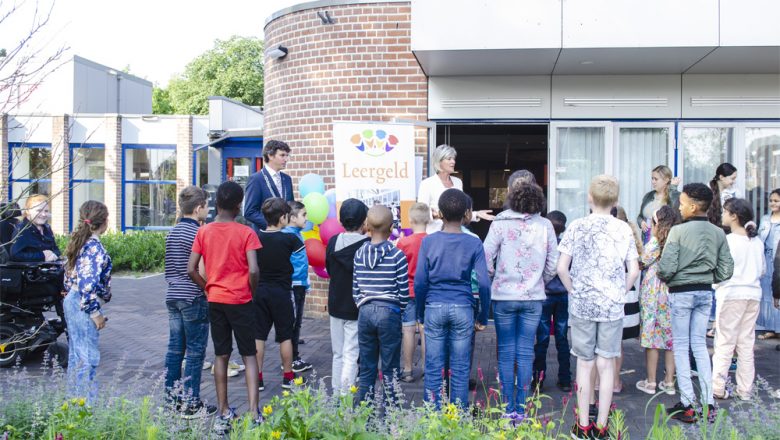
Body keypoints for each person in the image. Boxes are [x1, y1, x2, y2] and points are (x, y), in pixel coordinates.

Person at [557, 175, 640, 440]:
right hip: (611, 306)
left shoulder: (577, 227)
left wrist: (574, 290)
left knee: (584, 364)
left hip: (583, 305)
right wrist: (621, 292)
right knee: (606, 365)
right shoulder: (624, 229)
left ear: (589, 198)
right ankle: (602, 427)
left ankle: (582, 425)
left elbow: (561, 268)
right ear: (615, 201)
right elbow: (634, 269)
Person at [188, 181, 261, 434]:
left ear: (216, 202)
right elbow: (253, 269)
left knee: (221, 355)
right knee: (249, 354)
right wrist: (252, 290)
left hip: (216, 299)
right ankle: (254, 412)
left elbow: (190, 269)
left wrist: (207, 287)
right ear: (239, 205)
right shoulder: (246, 232)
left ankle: (223, 412)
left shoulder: (204, 231)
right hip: (241, 299)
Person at [658, 183, 734, 424]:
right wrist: (708, 278)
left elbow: (667, 267)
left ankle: (688, 405)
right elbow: (727, 269)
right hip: (704, 293)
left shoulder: (678, 232)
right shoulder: (718, 232)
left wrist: (666, 276)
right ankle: (708, 404)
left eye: (681, 203)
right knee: (700, 347)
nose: (678, 208)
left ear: (692, 206)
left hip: (681, 293)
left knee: (681, 347)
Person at [484, 183, 557, 421]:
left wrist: (495, 275)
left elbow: (485, 255)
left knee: (506, 352)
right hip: (533, 297)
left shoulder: (500, 222)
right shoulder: (545, 225)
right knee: (526, 352)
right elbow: (553, 263)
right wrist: (540, 280)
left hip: (504, 296)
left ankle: (507, 409)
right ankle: (522, 409)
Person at [415, 189, 491, 410]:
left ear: (439, 213)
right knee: (459, 369)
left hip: (434, 307)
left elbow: (420, 282)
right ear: (467, 213)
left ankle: (433, 420)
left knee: (433, 367)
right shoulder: (474, 243)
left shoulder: (429, 242)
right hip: (463, 308)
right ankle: (458, 422)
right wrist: (483, 316)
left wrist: (421, 313)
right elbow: (484, 284)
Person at [163, 186, 216, 418]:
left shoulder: (173, 231)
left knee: (175, 350)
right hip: (193, 296)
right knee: (195, 352)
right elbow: (201, 269)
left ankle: (171, 398)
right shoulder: (199, 233)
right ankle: (191, 403)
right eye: (206, 206)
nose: (207, 210)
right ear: (198, 208)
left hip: (173, 295)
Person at [353, 205, 410, 404]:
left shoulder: (359, 254)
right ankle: (390, 418)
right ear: (392, 227)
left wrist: (362, 304)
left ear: (367, 225)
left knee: (367, 368)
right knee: (390, 369)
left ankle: (363, 416)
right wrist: (399, 310)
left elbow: (355, 287)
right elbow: (403, 290)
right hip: (390, 313)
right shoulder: (397, 256)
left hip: (365, 312)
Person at [712, 198, 764, 400]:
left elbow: (720, 270)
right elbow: (762, 270)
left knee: (724, 342)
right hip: (753, 295)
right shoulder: (756, 242)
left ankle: (717, 387)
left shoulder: (729, 241)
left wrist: (716, 285)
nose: (722, 215)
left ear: (734, 216)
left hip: (731, 294)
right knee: (746, 343)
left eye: (725, 212)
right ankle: (745, 390)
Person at [254, 198, 307, 391]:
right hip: (282, 293)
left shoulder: (255, 237)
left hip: (260, 292)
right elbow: (300, 260)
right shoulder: (290, 239)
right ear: (284, 217)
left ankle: (257, 378)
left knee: (258, 335)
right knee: (285, 336)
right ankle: (288, 377)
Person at [62, 200, 112, 404]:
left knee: (76, 355)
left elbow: (67, 276)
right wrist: (95, 313)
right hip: (83, 304)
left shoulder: (79, 242)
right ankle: (84, 408)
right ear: (104, 222)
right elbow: (87, 285)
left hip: (72, 300)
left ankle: (73, 402)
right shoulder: (93, 248)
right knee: (87, 357)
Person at [326, 199, 370, 394]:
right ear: (364, 221)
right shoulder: (367, 245)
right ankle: (345, 396)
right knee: (352, 353)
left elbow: (329, 268)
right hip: (356, 305)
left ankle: (337, 393)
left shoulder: (334, 241)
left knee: (338, 353)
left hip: (336, 303)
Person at [635, 205, 680, 396]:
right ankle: (669, 381)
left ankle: (651, 381)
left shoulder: (654, 243)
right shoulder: (677, 242)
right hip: (672, 291)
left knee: (652, 337)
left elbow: (641, 261)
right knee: (671, 338)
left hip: (653, 291)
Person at [533, 210, 571, 393]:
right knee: (562, 338)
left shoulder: (542, 244)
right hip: (563, 296)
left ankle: (538, 379)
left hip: (545, 295)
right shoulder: (565, 245)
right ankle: (565, 379)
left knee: (542, 338)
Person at [417, 144, 493, 233]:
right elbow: (421, 214)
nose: (453, 162)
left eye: (453, 159)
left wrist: (477, 214)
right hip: (435, 236)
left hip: (456, 234)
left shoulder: (458, 182)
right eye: (449, 159)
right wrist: (437, 215)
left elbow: (459, 212)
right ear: (439, 162)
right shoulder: (426, 184)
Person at [396, 202, 430, 383]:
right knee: (425, 331)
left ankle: (407, 370)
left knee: (408, 331)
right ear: (429, 219)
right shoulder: (432, 241)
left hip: (407, 291)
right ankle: (427, 369)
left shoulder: (403, 242)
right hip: (427, 291)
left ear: (410, 220)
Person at [282, 200, 313, 372]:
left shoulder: (296, 233)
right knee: (294, 323)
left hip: (299, 283)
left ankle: (292, 357)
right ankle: (292, 359)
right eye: (303, 215)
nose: (306, 219)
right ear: (293, 218)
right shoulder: (290, 236)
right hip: (294, 285)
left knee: (296, 323)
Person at [244, 140, 293, 232]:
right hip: (265, 237)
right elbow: (249, 212)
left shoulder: (287, 179)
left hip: (286, 235)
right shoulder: (256, 179)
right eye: (282, 155)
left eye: (287, 155)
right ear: (270, 155)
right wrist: (273, 225)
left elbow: (290, 206)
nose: (286, 159)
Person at [757, 188, 780, 340]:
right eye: (771, 200)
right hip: (765, 258)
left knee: (778, 293)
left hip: (778, 260)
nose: (773, 203)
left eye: (776, 201)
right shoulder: (765, 219)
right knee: (766, 294)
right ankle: (770, 328)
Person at [10, 194, 60, 262]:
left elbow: (55, 249)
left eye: (46, 211)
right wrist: (42, 256)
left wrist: (54, 255)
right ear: (28, 211)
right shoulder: (22, 229)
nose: (44, 214)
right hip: (30, 271)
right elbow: (15, 255)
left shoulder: (47, 228)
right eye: (39, 211)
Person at [637, 165, 680, 244]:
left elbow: (675, 214)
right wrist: (641, 222)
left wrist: (673, 188)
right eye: (652, 178)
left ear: (666, 180)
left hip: (664, 242)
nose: (653, 181)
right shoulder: (648, 196)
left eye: (656, 179)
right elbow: (640, 216)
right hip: (647, 240)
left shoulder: (673, 196)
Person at [707, 163, 738, 229]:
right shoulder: (707, 191)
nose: (734, 182)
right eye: (732, 178)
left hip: (729, 231)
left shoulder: (736, 193)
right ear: (721, 177)